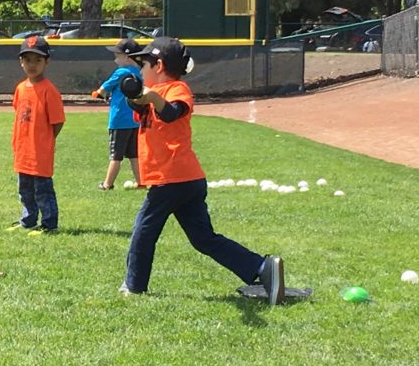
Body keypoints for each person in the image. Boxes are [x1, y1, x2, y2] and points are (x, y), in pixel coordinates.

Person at [120, 36, 285, 304]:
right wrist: (136, 97)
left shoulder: (177, 89)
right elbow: (138, 109)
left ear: (158, 65)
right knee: (203, 239)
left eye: (144, 65)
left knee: (143, 231)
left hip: (173, 179)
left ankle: (134, 286)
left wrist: (151, 97)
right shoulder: (150, 95)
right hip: (184, 181)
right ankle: (262, 267)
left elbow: (171, 113)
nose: (140, 71)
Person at [7, 36, 65, 236]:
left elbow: (57, 121)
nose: (32, 65)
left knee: (43, 191)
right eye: (27, 60)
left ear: (46, 62)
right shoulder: (21, 88)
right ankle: (28, 220)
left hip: (39, 151)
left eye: (37, 60)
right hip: (23, 150)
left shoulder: (49, 91)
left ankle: (49, 224)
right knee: (25, 191)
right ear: (21, 61)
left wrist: (45, 140)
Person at [95, 37, 144, 190]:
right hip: (135, 120)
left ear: (128, 57)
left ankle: (107, 184)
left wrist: (99, 94)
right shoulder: (141, 73)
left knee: (115, 156)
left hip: (118, 121)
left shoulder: (120, 72)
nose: (115, 58)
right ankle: (141, 182)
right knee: (134, 155)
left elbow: (103, 90)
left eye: (118, 55)